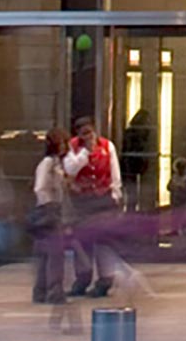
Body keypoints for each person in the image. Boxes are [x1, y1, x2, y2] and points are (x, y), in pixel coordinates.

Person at [63, 115, 123, 297]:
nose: (88, 137)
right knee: (82, 241)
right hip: (82, 201)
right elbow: (70, 169)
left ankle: (105, 280)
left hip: (103, 199)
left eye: (89, 132)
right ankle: (82, 278)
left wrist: (116, 194)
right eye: (83, 134)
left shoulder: (107, 146)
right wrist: (85, 153)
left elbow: (114, 171)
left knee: (104, 241)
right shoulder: (73, 147)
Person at [30, 127, 68, 304]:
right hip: (49, 210)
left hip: (51, 209)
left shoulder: (56, 163)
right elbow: (40, 187)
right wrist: (49, 204)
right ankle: (53, 290)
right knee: (54, 253)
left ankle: (42, 290)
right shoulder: (48, 163)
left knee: (46, 253)